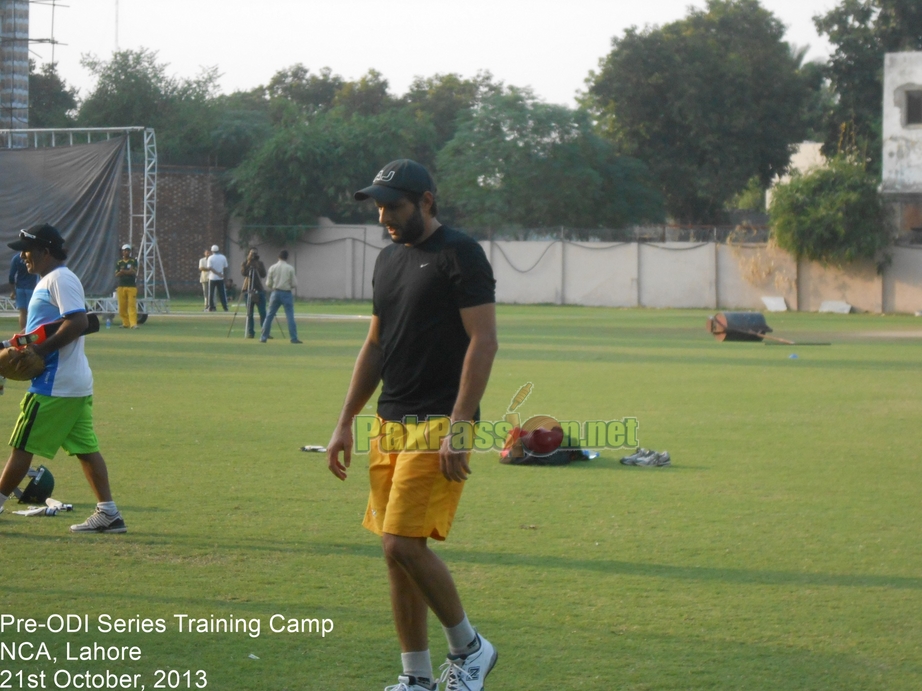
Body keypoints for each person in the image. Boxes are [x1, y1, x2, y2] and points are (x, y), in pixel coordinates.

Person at [326, 160, 499, 691]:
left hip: (439, 421)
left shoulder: (460, 253)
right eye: (379, 207)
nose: (384, 217)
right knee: (394, 551)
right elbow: (376, 344)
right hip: (390, 422)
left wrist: (461, 425)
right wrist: (345, 421)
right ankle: (416, 677)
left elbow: (483, 340)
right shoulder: (387, 262)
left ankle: (471, 649)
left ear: (426, 201)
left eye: (394, 206)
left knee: (403, 542)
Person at [0, 224, 127, 533]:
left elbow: (79, 320)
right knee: (86, 449)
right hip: (73, 383)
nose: (24, 257)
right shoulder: (51, 280)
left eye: (27, 251)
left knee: (21, 445)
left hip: (54, 385)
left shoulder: (60, 278)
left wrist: (40, 352)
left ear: (45, 251)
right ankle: (109, 514)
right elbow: (48, 328)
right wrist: (13, 346)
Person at [259, 250, 301, 344]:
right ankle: (293, 338)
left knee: (269, 316)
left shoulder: (272, 267)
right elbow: (294, 283)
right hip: (286, 293)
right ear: (287, 257)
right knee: (290, 316)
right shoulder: (290, 268)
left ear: (278, 257)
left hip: (275, 292)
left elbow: (268, 283)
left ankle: (263, 337)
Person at [241, 248, 267, 339]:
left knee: (263, 312)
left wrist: (256, 266)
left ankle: (265, 331)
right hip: (248, 290)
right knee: (249, 313)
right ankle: (250, 332)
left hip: (258, 289)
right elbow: (244, 273)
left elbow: (263, 274)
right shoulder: (245, 263)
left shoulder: (260, 263)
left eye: (254, 254)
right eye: (251, 253)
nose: (253, 255)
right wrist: (248, 262)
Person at [8, 252, 37, 330]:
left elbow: (11, 276)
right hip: (32, 287)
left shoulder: (16, 258)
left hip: (20, 288)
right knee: (33, 312)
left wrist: (13, 291)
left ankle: (23, 333)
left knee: (22, 313)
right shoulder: (34, 256)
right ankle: (31, 331)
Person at [115, 243, 139, 328]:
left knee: (131, 305)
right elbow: (117, 274)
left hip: (131, 286)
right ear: (122, 252)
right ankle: (125, 323)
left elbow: (133, 272)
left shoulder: (133, 261)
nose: (126, 252)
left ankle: (133, 324)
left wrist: (123, 272)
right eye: (124, 250)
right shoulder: (119, 262)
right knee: (122, 306)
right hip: (121, 286)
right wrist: (127, 271)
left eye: (127, 250)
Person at [206, 244, 228, 311]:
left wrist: (217, 273)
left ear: (212, 251)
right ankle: (225, 307)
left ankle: (211, 307)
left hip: (212, 277)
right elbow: (225, 266)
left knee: (211, 293)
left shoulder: (210, 258)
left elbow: (209, 268)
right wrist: (220, 273)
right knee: (222, 293)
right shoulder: (223, 257)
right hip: (220, 278)